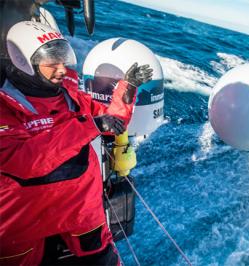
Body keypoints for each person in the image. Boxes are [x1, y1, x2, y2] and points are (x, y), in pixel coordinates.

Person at [0, 21, 152, 265]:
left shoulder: (70, 96)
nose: (61, 70)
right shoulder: (4, 107)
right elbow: (23, 160)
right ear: (22, 60)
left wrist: (128, 86)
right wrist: (89, 126)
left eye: (63, 61)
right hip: (22, 225)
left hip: (80, 213)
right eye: (52, 63)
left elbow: (112, 120)